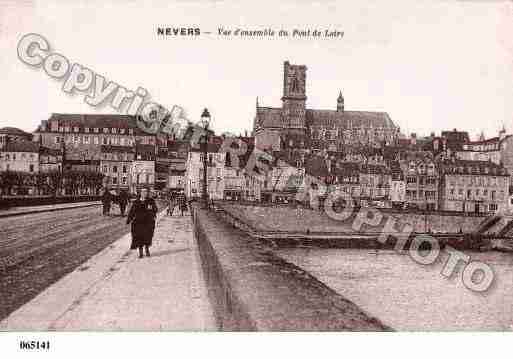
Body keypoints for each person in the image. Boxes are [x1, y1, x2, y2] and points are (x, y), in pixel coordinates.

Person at [126, 188, 158, 258]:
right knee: (139, 237)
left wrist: (152, 210)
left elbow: (155, 209)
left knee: (147, 236)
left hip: (148, 222)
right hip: (138, 222)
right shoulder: (136, 202)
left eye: (146, 192)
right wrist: (129, 219)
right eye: (143, 192)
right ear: (140, 193)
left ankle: (147, 249)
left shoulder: (151, 201)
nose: (144, 193)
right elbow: (132, 211)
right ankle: (140, 252)